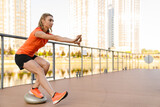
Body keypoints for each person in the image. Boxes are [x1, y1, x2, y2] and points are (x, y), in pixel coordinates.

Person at [15, 13, 82, 104]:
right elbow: (55, 37)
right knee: (39, 70)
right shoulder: (38, 32)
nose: (52, 22)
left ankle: (34, 88)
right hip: (21, 56)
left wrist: (73, 41)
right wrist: (72, 40)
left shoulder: (47, 34)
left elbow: (58, 37)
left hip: (29, 55)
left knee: (46, 64)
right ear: (43, 21)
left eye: (53, 20)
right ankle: (54, 95)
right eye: (50, 20)